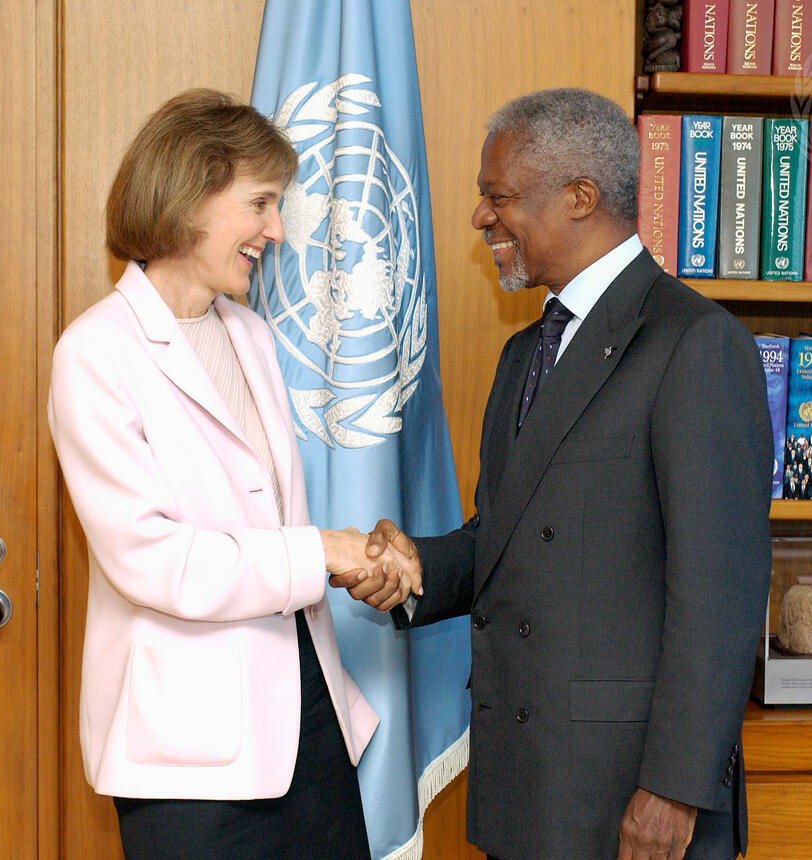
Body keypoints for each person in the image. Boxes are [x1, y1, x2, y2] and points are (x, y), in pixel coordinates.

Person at [342, 88, 773, 859]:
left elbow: (721, 594)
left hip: (628, 796)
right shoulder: (524, 354)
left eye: (499, 196)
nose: (481, 217)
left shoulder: (695, 343)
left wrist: (675, 789)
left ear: (580, 197)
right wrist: (415, 568)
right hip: (529, 788)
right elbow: (508, 539)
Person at [48, 89, 415, 859]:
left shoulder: (250, 334)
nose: (276, 231)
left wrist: (352, 557)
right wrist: (323, 550)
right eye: (260, 203)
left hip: (308, 721)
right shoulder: (95, 354)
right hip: (190, 755)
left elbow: (264, 517)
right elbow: (154, 559)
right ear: (190, 196)